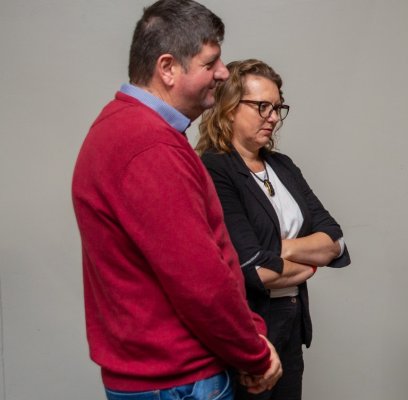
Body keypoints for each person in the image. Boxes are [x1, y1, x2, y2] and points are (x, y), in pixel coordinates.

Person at [71, 1, 281, 399]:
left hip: (165, 378)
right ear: (167, 68)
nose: (223, 73)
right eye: (211, 63)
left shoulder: (124, 127)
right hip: (180, 383)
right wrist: (254, 354)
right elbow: (201, 282)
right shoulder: (149, 147)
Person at [197, 59, 351, 399]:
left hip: (291, 320)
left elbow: (335, 241)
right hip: (249, 324)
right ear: (228, 108)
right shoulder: (215, 169)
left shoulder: (282, 165)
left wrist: (282, 248)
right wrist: (309, 260)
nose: (273, 116)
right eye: (262, 106)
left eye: (278, 107)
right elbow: (253, 268)